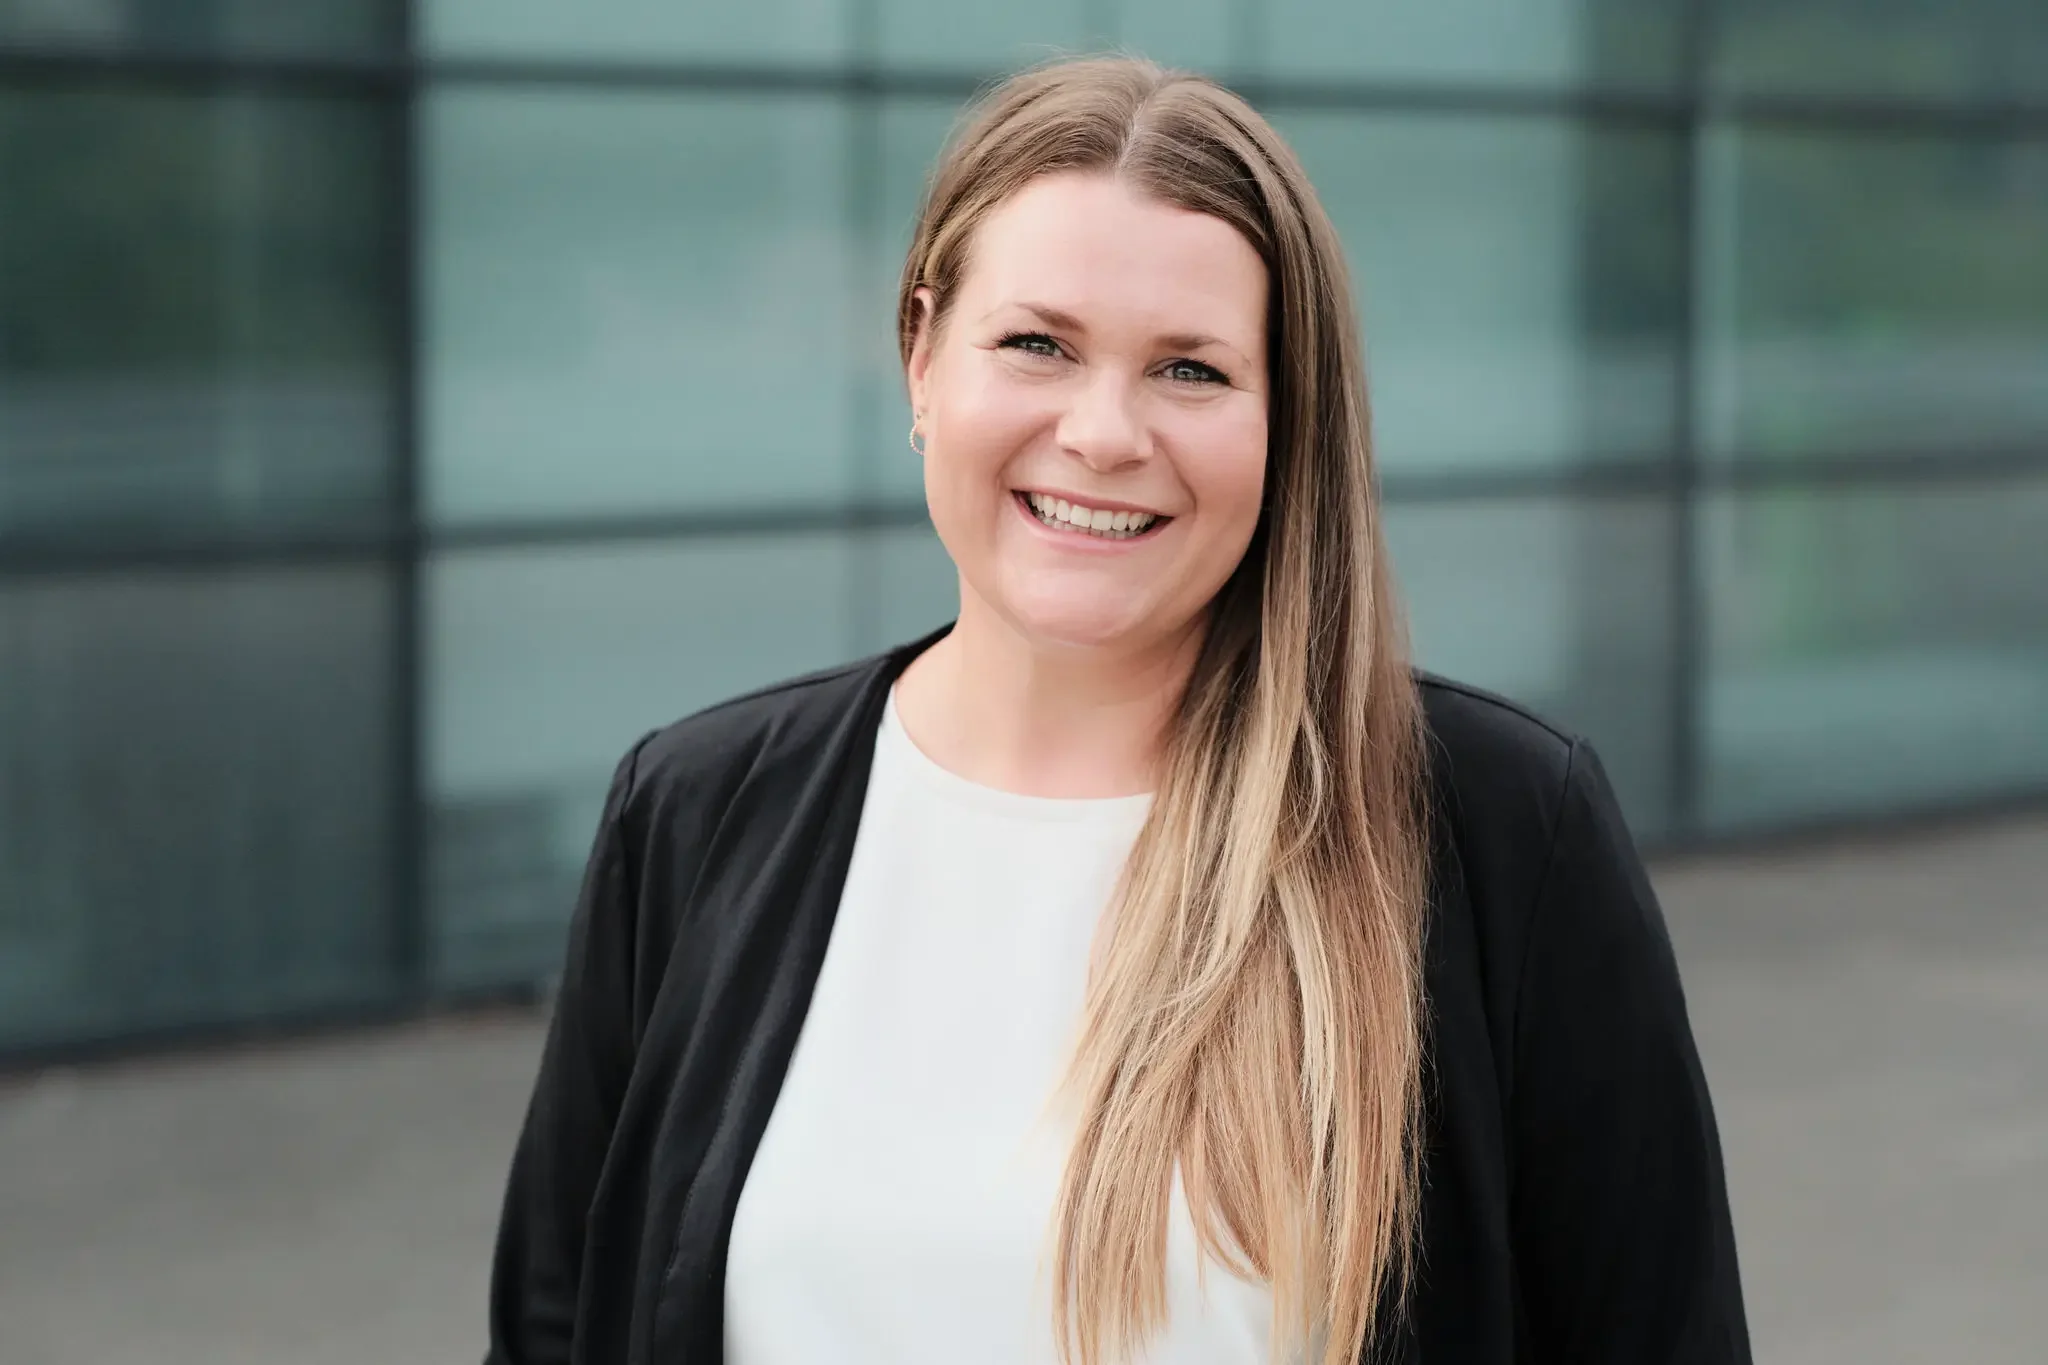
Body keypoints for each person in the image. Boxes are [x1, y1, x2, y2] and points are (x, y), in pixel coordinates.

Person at [484, 55, 1750, 1365]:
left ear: (1286, 419)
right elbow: (555, 1329)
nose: (1101, 432)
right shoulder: (698, 814)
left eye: (1189, 371)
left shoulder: (1497, 833)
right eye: (1037, 344)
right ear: (922, 358)